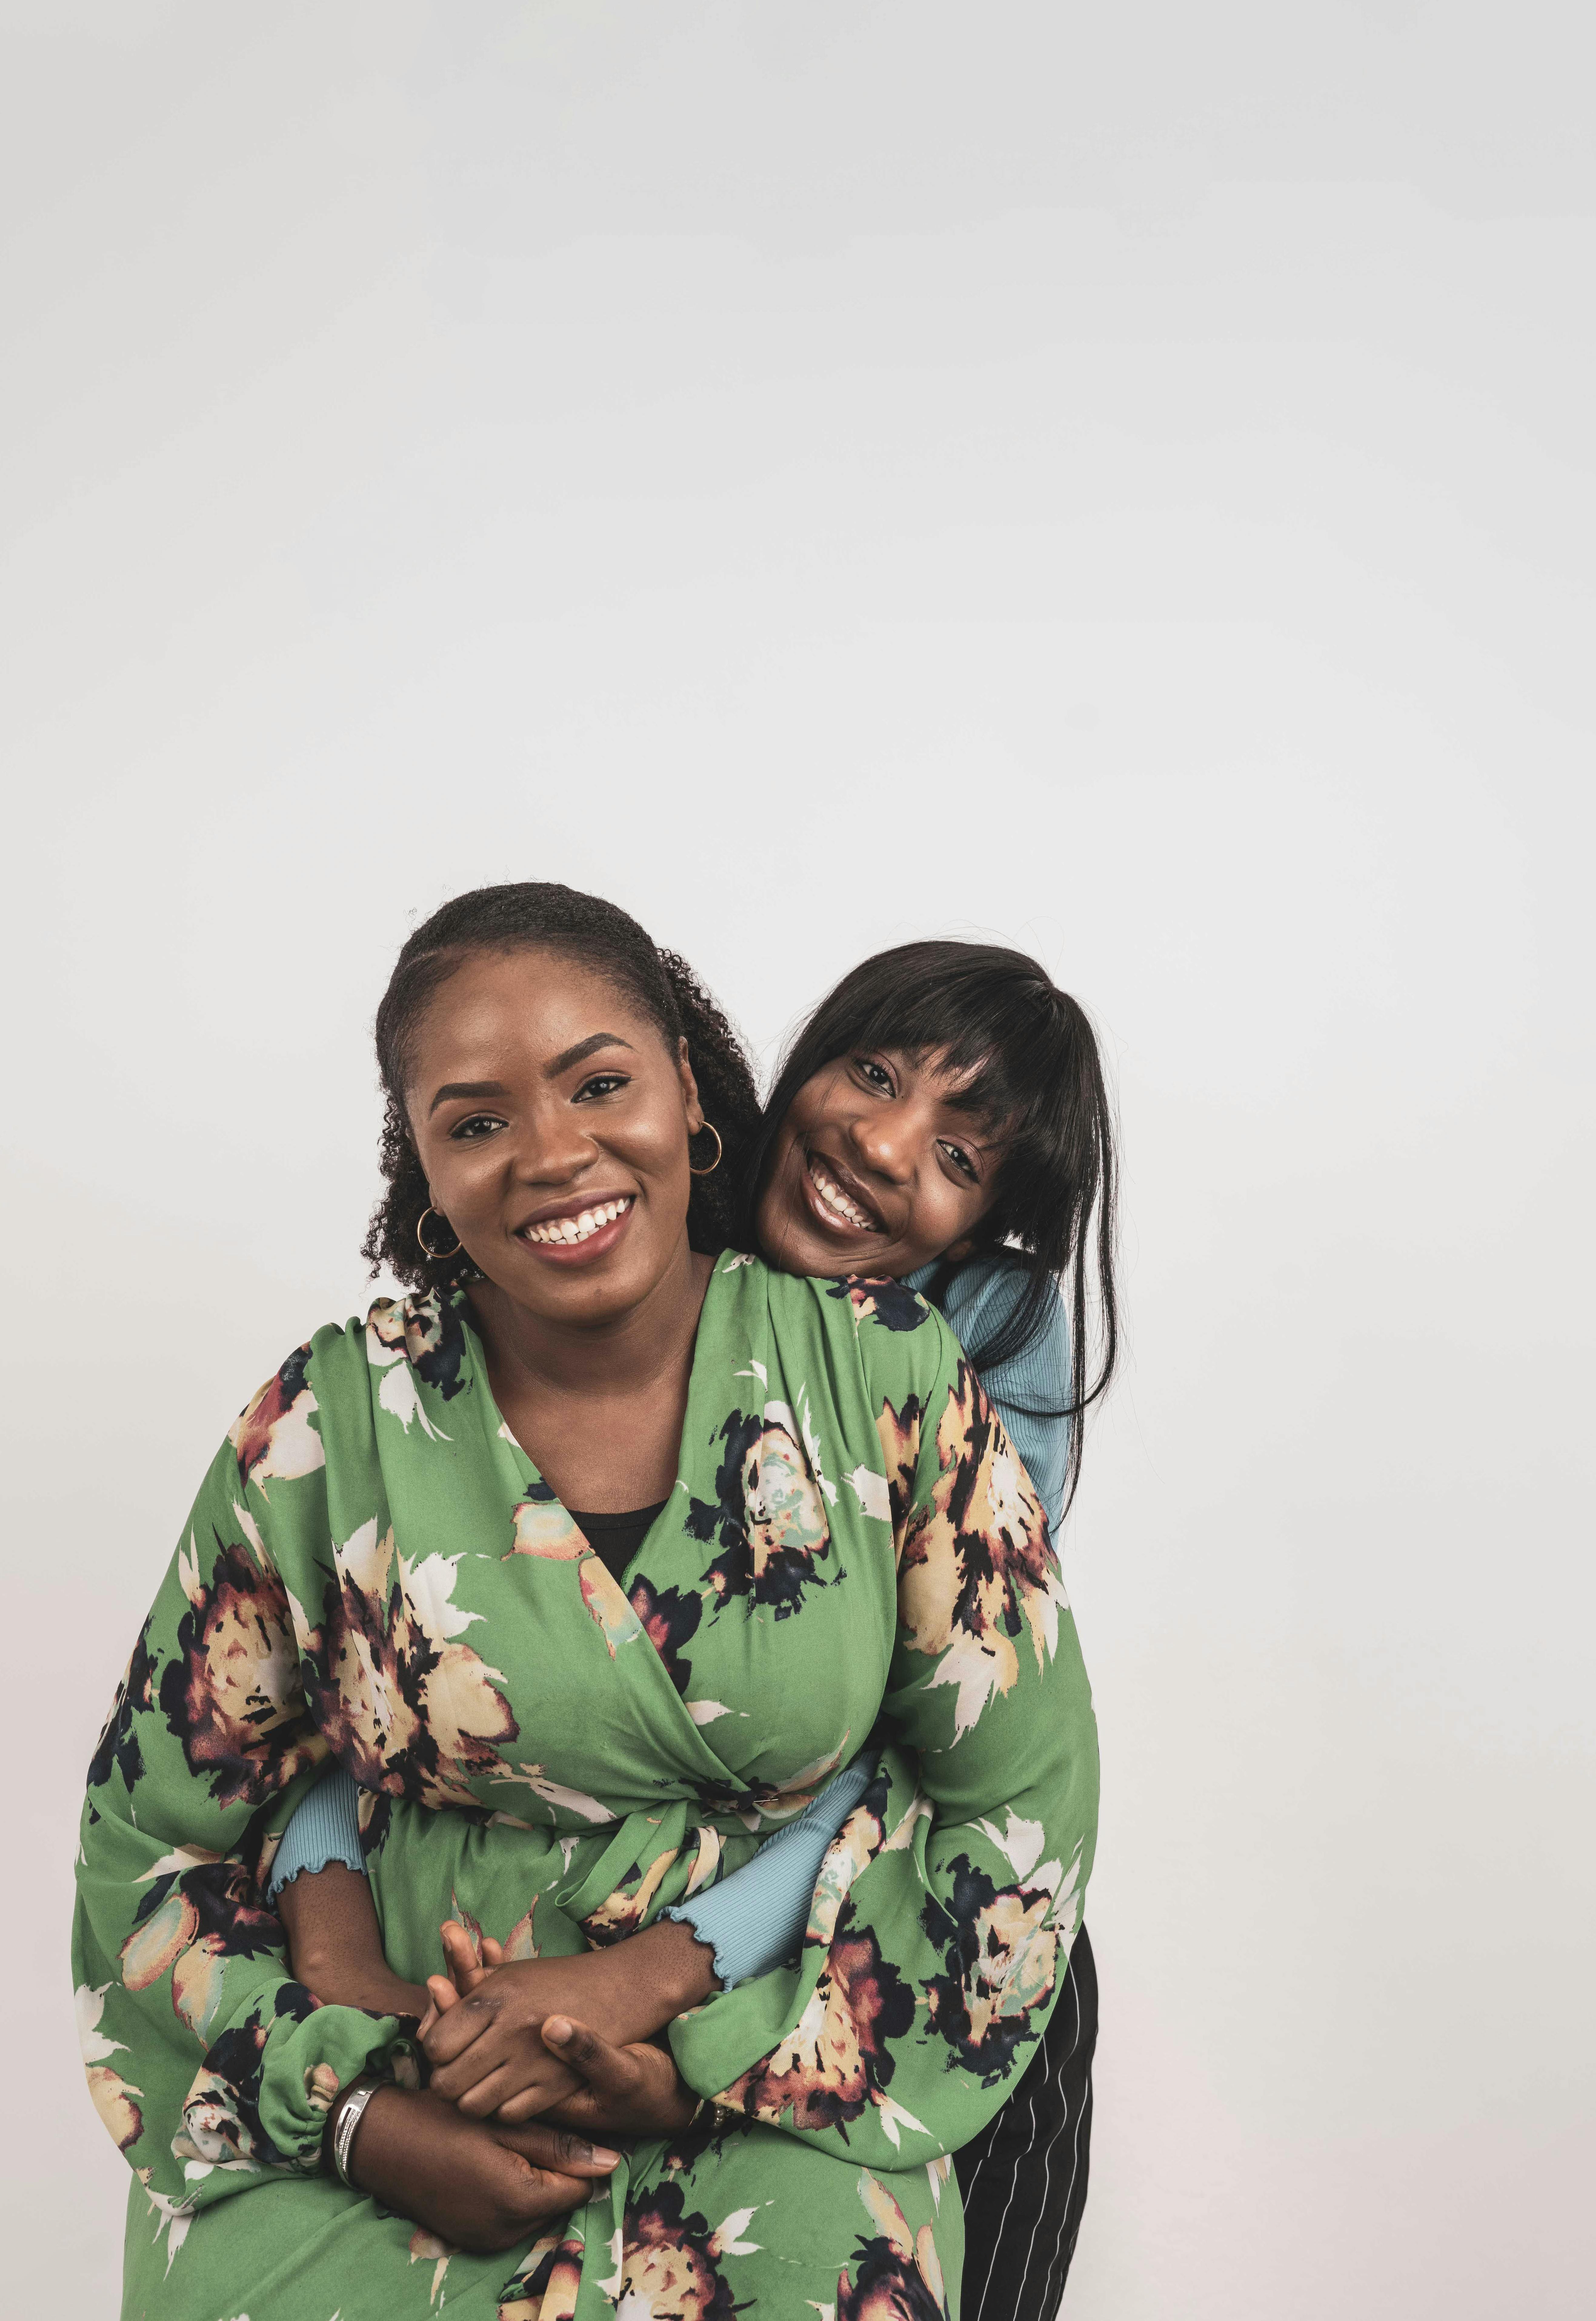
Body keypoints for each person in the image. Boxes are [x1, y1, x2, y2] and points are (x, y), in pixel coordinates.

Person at [73, 884, 1100, 2320]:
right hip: (391, 2063)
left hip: (779, 2068)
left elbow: (1012, 1796)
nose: (553, 1155)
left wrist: (693, 2047)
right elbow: (159, 1838)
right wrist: (359, 2096)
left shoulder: (900, 1376)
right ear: (418, 1165)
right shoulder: (326, 1424)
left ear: (688, 1088)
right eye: (476, 1121)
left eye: (598, 1083)